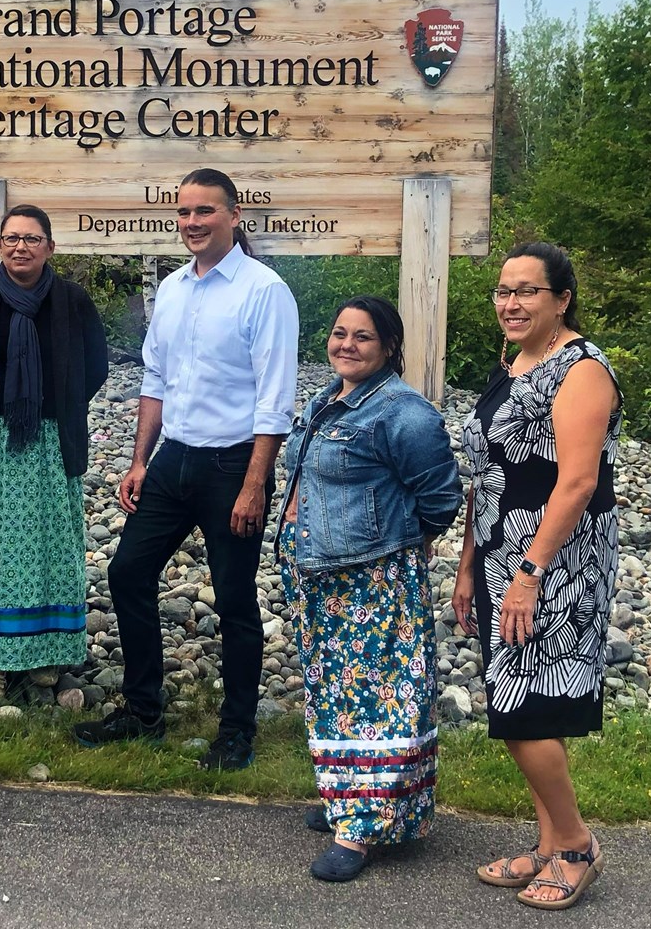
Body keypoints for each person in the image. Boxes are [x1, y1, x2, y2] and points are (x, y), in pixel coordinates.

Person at [72, 168, 299, 770]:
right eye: (184, 213)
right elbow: (155, 380)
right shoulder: (171, 289)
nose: (192, 223)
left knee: (233, 599)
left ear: (234, 216)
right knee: (127, 573)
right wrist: (140, 459)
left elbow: (275, 401)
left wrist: (255, 485)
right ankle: (144, 710)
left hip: (233, 467)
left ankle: (237, 729)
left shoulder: (264, 290)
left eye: (205, 211)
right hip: (173, 459)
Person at [454, 241, 620, 910]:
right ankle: (549, 844)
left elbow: (578, 480)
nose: (510, 303)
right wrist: (469, 566)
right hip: (500, 554)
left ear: (562, 298)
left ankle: (577, 845)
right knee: (516, 696)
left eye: (526, 291)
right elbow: (488, 474)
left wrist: (529, 573)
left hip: (553, 559)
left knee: (521, 704)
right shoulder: (515, 363)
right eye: (503, 290)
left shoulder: (582, 369)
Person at [276, 296, 463, 882]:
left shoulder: (404, 413)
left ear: (388, 347)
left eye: (363, 337)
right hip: (321, 579)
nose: (346, 345)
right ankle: (347, 798)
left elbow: (440, 500)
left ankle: (360, 830)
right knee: (333, 693)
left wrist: (400, 544)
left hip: (372, 581)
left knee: (379, 700)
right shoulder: (326, 400)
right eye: (339, 334)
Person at [0, 204, 109, 701]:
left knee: (54, 541)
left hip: (52, 439)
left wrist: (56, 405)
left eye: (32, 239)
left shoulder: (72, 300)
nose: (21, 247)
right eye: (12, 238)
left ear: (50, 247)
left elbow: (96, 364)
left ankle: (49, 651)